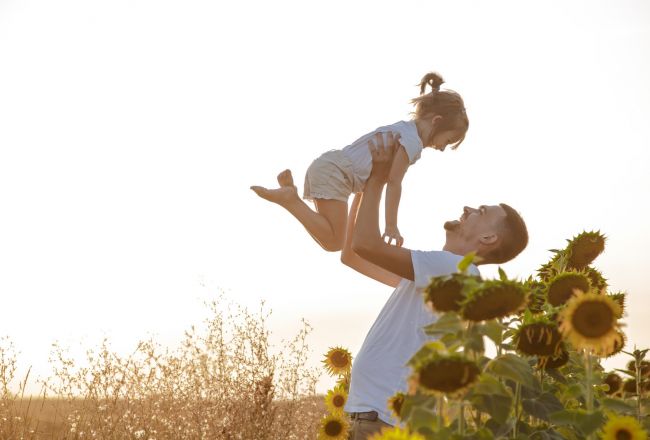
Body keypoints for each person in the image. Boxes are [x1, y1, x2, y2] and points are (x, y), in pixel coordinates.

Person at [340, 132, 529, 439]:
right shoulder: (440, 278)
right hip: (379, 417)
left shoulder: (454, 270)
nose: (468, 208)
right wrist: (362, 189)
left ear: (488, 239)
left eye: (481, 212)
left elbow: (365, 245)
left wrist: (377, 177)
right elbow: (352, 254)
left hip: (384, 421)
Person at [250, 72, 469, 251]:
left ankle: (290, 198)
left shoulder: (405, 130)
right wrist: (391, 225)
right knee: (335, 241)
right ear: (436, 121)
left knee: (333, 239)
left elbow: (380, 177)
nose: (442, 148)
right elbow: (393, 182)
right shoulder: (412, 142)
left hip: (332, 169)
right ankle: (291, 200)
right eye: (447, 141)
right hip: (337, 173)